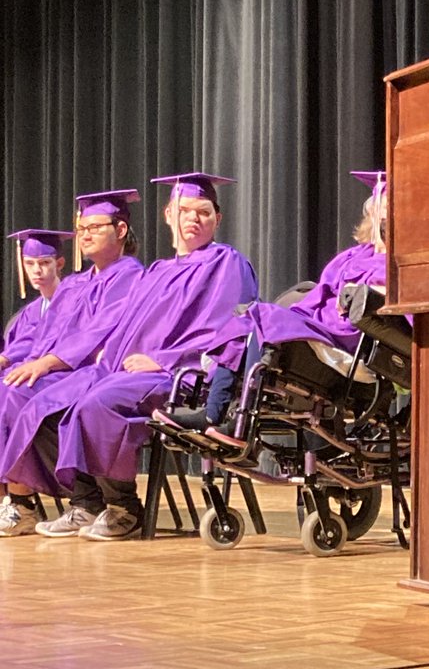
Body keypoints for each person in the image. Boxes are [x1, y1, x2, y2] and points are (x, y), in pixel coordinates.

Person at [0, 172, 257, 540]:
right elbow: (124, 332)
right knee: (42, 401)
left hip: (179, 376)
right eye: (184, 210)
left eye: (203, 212)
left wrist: (166, 359)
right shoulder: (158, 271)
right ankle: (85, 501)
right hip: (124, 370)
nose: (193, 219)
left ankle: (123, 508)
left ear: (218, 218)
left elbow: (231, 329)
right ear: (169, 215)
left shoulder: (226, 263)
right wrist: (105, 363)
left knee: (97, 403)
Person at [156, 169, 388, 440]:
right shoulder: (350, 257)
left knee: (263, 315)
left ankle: (240, 423)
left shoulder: (398, 263)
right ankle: (214, 412)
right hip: (322, 326)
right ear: (370, 215)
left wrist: (367, 294)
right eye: (379, 212)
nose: (383, 219)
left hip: (349, 338)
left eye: (389, 212)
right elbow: (320, 293)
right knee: (248, 319)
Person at [0, 190, 145, 535]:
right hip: (68, 369)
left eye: (94, 227)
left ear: (120, 230)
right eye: (82, 229)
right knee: (12, 391)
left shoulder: (130, 276)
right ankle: (66, 501)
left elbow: (101, 330)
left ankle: (87, 501)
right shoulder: (78, 284)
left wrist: (48, 363)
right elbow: (49, 332)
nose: (85, 235)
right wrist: (33, 360)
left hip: (98, 370)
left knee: (36, 399)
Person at [0, 228, 73, 372]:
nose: (36, 270)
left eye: (44, 262)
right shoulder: (30, 311)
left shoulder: (72, 301)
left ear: (59, 264)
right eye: (29, 263)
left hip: (57, 373)